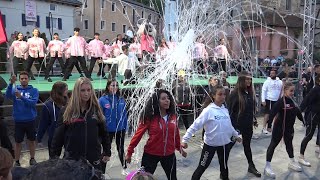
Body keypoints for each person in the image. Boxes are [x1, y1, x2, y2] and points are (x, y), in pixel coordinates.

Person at [51, 77, 111, 172]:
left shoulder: (96, 109)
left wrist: (107, 151)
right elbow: (58, 137)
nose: (86, 93)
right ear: (76, 92)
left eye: (88, 90)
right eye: (82, 90)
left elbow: (104, 132)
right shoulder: (67, 111)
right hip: (72, 161)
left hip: (93, 159)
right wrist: (54, 160)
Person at [182, 85, 241, 180]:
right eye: (220, 94)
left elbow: (229, 126)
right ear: (213, 96)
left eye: (224, 95)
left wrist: (236, 135)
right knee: (202, 166)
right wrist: (185, 139)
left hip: (224, 144)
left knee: (224, 166)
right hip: (210, 145)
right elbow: (195, 125)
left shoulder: (225, 110)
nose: (223, 97)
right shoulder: (208, 110)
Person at [125, 89, 187, 180]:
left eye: (168, 98)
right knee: (144, 178)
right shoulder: (149, 117)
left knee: (173, 178)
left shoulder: (173, 116)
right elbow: (138, 135)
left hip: (169, 154)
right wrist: (129, 152)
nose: (167, 100)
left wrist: (179, 149)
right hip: (151, 154)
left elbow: (176, 134)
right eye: (163, 98)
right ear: (157, 102)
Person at [264, 82, 304, 178]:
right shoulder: (281, 102)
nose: (292, 93)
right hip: (279, 128)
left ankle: (291, 161)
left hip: (289, 129)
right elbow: (272, 113)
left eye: (293, 91)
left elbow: (297, 112)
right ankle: (267, 166)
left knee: (289, 145)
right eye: (290, 91)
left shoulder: (292, 101)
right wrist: (269, 125)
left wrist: (304, 121)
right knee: (273, 145)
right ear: (285, 90)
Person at [227, 71, 261, 177]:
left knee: (247, 146)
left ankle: (251, 166)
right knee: (227, 148)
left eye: (250, 79)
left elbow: (249, 110)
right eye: (247, 79)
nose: (249, 81)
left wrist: (254, 120)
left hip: (247, 126)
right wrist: (231, 128)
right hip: (235, 127)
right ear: (241, 80)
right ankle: (223, 170)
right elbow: (229, 112)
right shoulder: (234, 94)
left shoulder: (249, 92)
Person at [5, 72, 39, 166]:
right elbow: (7, 96)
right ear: (19, 80)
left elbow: (32, 103)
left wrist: (21, 97)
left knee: (31, 141)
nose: (24, 80)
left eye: (25, 78)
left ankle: (32, 158)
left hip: (30, 120)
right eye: (22, 78)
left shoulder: (34, 90)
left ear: (28, 79)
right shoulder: (15, 89)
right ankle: (16, 161)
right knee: (17, 142)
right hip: (18, 121)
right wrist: (11, 83)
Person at [99, 79, 129, 175]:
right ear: (108, 87)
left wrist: (125, 127)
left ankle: (124, 168)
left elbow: (124, 114)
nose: (115, 87)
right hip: (107, 130)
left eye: (116, 85)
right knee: (106, 151)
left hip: (120, 129)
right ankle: (102, 172)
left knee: (121, 148)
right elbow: (99, 115)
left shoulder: (121, 99)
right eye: (112, 85)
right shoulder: (102, 100)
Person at [37, 82, 68, 158]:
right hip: (54, 136)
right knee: (53, 159)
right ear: (60, 91)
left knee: (68, 157)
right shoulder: (48, 106)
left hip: (67, 135)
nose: (67, 91)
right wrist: (39, 138)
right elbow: (43, 123)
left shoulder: (68, 103)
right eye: (66, 90)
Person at [298, 75, 320, 165]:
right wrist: (299, 112)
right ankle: (301, 156)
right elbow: (306, 100)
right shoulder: (315, 89)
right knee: (309, 135)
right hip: (313, 115)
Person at [261, 69, 283, 134]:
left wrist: (280, 99)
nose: (271, 74)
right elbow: (263, 90)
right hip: (269, 99)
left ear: (275, 74)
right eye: (270, 73)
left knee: (276, 114)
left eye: (273, 73)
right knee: (267, 114)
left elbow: (281, 90)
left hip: (277, 100)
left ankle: (274, 127)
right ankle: (264, 128)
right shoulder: (267, 82)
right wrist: (263, 100)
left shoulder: (280, 82)